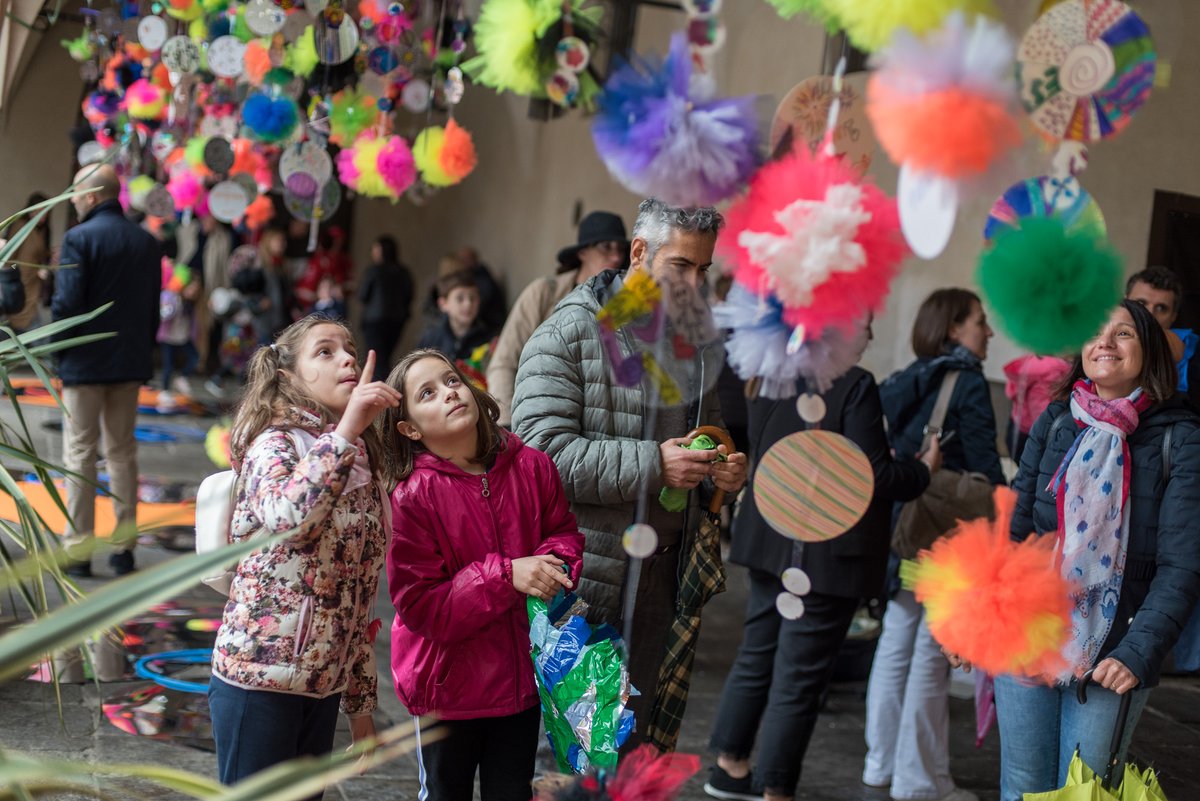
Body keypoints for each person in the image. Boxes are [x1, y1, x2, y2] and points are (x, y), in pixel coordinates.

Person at [512, 198, 748, 747]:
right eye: (681, 267)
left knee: (638, 752)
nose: (694, 284)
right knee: (589, 755)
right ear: (639, 253)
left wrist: (721, 472)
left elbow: (706, 436)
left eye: (703, 269)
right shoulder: (568, 334)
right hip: (587, 582)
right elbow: (539, 457)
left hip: (665, 580)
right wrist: (655, 464)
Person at [706, 318, 939, 801]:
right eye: (865, 325)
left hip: (771, 539)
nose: (870, 336)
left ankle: (729, 767)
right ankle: (776, 788)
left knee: (759, 654)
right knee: (801, 678)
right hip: (825, 553)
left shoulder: (773, 373)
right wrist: (922, 469)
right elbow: (870, 473)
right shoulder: (855, 385)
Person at [993, 300, 1200, 800]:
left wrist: (1137, 653)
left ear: (1148, 353)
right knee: (1021, 786)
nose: (1104, 342)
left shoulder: (1181, 438)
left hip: (1112, 652)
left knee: (1082, 790)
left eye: (1123, 333)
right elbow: (1016, 532)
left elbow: (1183, 565)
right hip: (1029, 632)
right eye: (1094, 332)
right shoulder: (1057, 420)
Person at [380, 349, 584, 801]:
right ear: (410, 428)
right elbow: (421, 606)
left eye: (452, 380)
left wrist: (556, 566)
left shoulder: (533, 467)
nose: (449, 392)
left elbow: (562, 534)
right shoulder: (412, 498)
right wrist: (507, 575)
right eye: (427, 393)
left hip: (520, 683)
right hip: (447, 690)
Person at [208, 317, 400, 796]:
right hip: (258, 682)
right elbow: (291, 521)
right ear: (289, 376)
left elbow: (358, 599)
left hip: (321, 690)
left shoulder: (359, 463)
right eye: (326, 351)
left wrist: (359, 708)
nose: (348, 359)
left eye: (350, 349)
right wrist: (348, 429)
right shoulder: (273, 444)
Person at [862, 288, 1005, 801]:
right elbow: (987, 469)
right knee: (932, 650)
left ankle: (881, 763)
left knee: (898, 638)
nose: (988, 333)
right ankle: (920, 779)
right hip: (948, 534)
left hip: (907, 529)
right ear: (953, 329)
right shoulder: (966, 383)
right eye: (979, 323)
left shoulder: (905, 378)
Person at [52, 164, 160, 578]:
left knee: (79, 453)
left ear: (92, 196)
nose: (74, 201)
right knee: (122, 453)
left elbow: (67, 306)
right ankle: (123, 549)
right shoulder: (146, 243)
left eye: (76, 194)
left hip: (83, 362)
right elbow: (152, 307)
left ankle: (78, 550)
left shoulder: (78, 239)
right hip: (129, 362)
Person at [487, 211, 628, 426]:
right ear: (582, 252)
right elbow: (504, 362)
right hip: (529, 422)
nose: (616, 257)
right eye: (606, 247)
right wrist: (508, 427)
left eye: (620, 249)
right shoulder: (543, 293)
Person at [1125, 266, 1200, 408]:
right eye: (1141, 303)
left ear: (1173, 316)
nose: (1149, 314)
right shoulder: (1099, 343)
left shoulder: (1193, 354)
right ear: (1124, 302)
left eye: (1161, 308)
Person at [357, 235, 414, 378]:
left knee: (376, 359)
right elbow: (409, 295)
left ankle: (378, 391)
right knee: (385, 358)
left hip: (374, 321)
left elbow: (363, 295)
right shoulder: (404, 272)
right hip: (397, 320)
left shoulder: (374, 270)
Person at [1002, 354, 1072, 464]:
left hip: (1017, 426)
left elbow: (1011, 392)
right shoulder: (1054, 370)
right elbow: (1042, 414)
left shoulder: (1030, 365)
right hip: (1034, 436)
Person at [417, 270, 493, 362]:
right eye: (460, 299)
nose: (468, 304)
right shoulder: (429, 340)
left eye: (472, 298)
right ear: (443, 304)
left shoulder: (488, 339)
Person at [4, 191, 50, 332]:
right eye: (37, 211)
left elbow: (41, 255)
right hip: (19, 282)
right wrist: (14, 272)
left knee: (31, 323)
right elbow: (9, 258)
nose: (40, 216)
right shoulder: (20, 226)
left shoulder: (43, 231)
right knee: (14, 321)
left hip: (33, 284)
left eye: (44, 212)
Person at [457, 245, 507, 332]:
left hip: (491, 326)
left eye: (464, 259)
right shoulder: (473, 277)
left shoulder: (482, 279)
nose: (462, 262)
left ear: (473, 260)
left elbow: (482, 306)